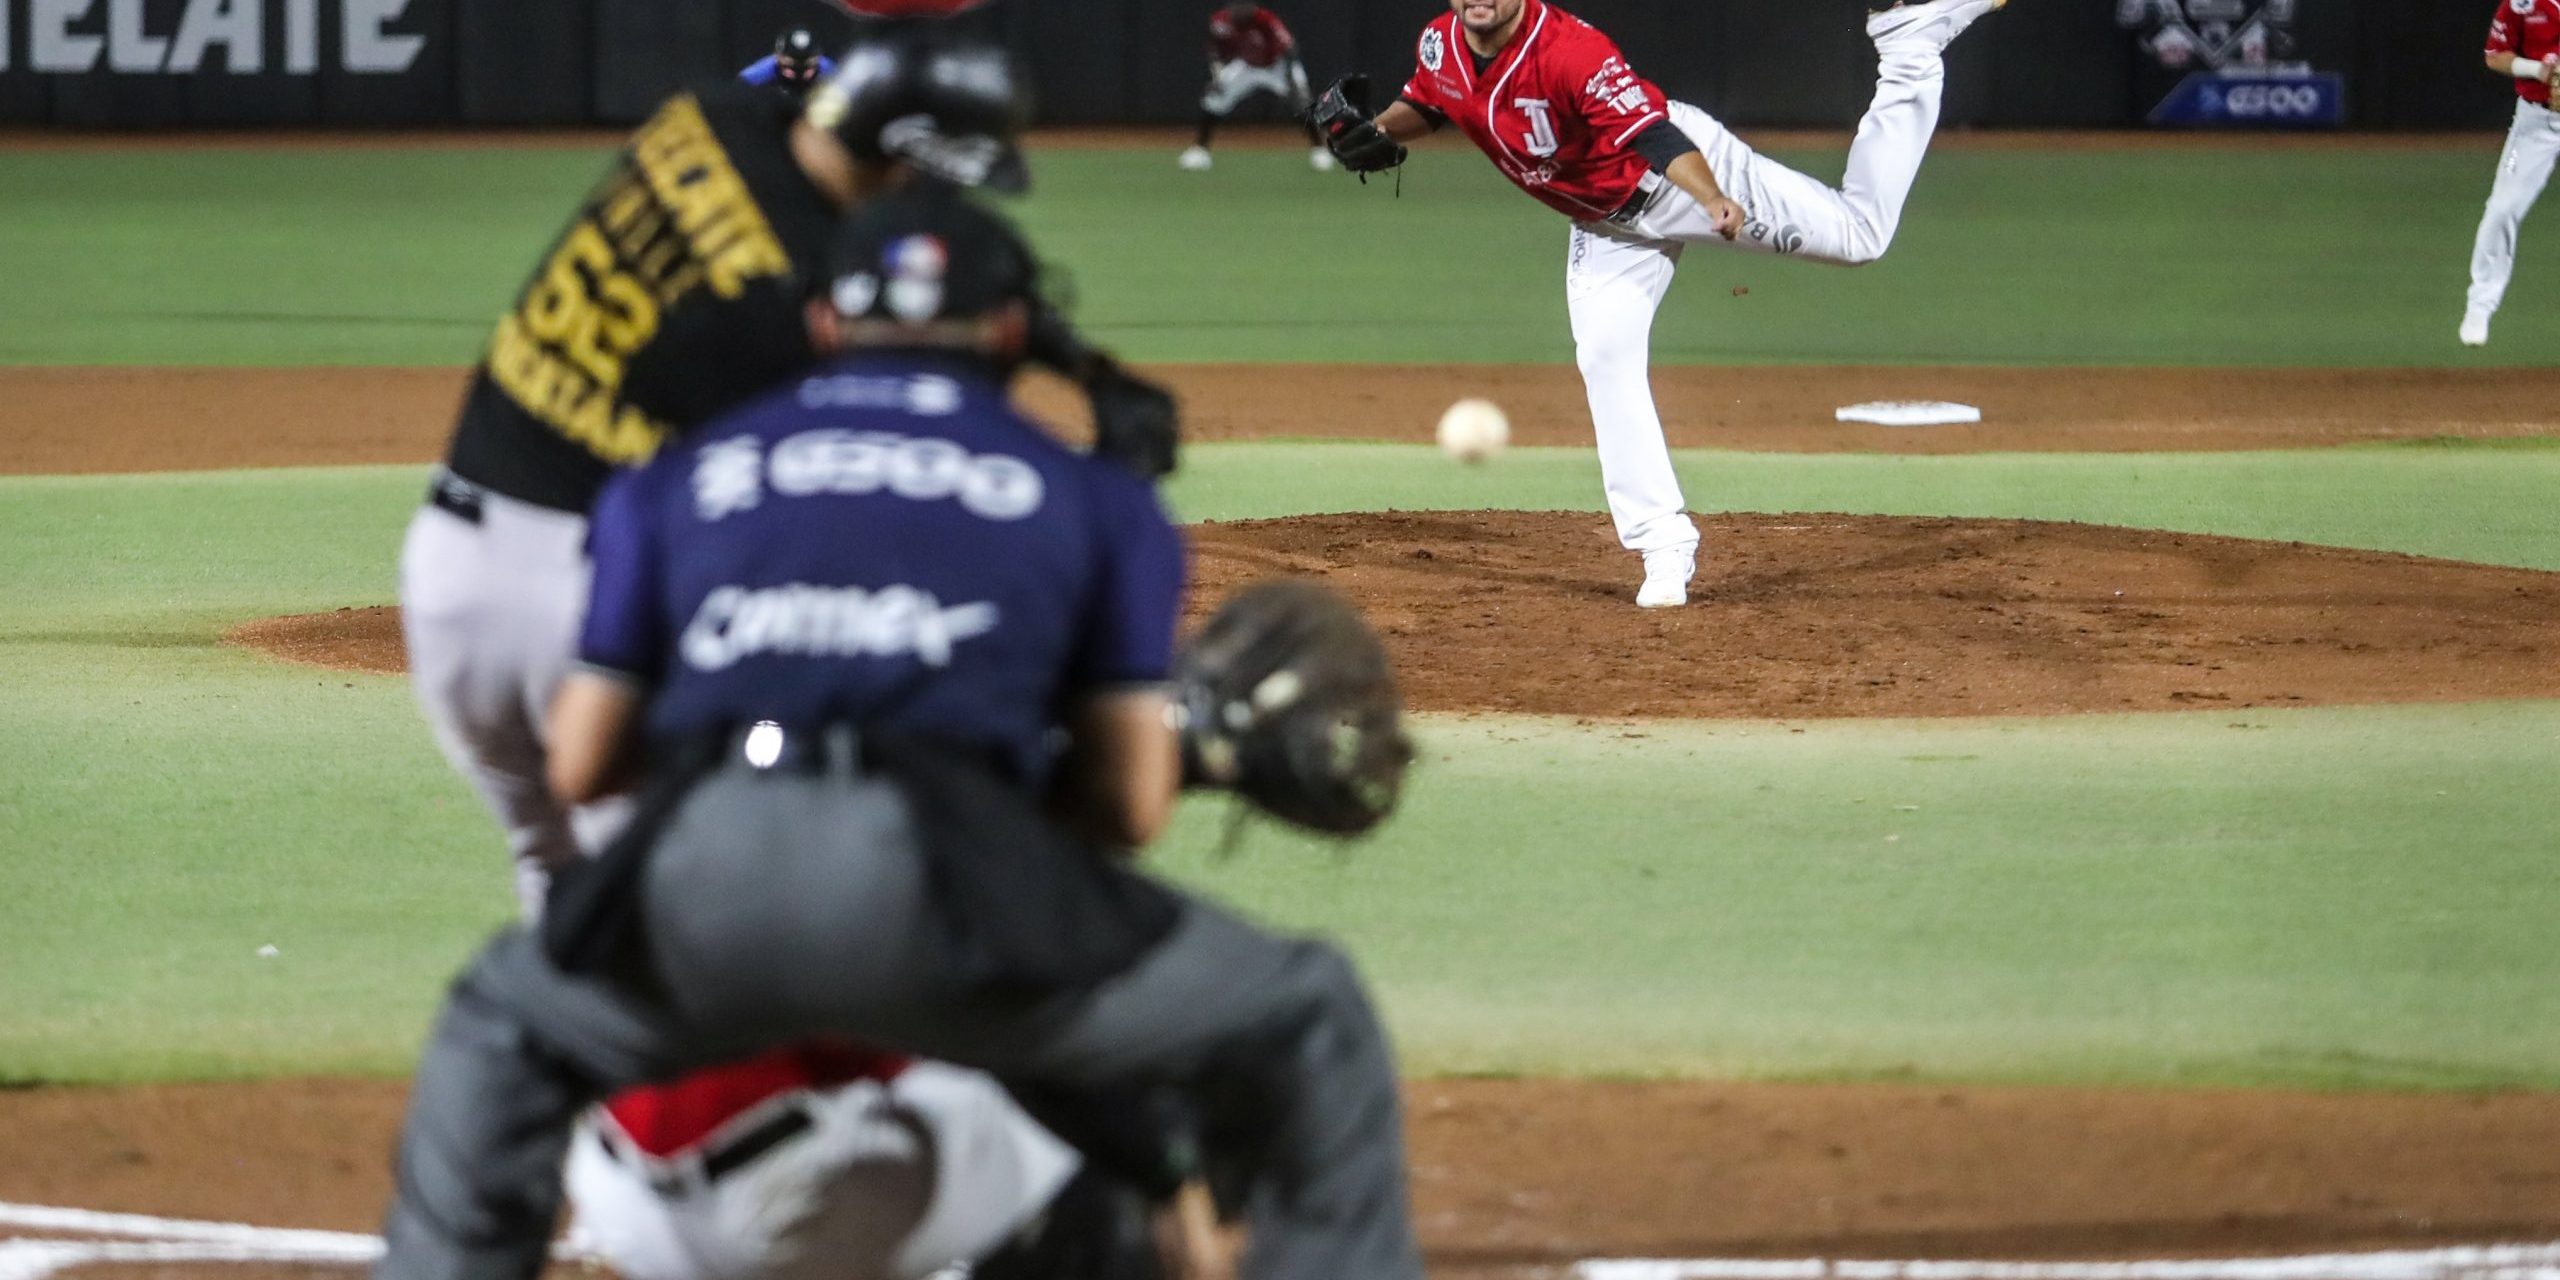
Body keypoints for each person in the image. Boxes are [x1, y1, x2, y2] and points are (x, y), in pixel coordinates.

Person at [371, 185, 1424, 1280]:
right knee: (1306, 1015)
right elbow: (1127, 808)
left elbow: (583, 763)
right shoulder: (1092, 498)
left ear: (824, 323)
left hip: (706, 874)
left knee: (500, 1018)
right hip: (945, 880)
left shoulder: (684, 474)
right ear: (1011, 331)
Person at [399, 27, 1175, 917]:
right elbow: (880, 441)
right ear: (905, 157)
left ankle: (563, 1042)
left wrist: (1068, 357)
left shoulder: (715, 118)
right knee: (714, 909)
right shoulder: (773, 309)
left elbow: (870, 242)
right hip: (569, 604)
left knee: (564, 883)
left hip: (450, 567)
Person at [1314, 0, 2011, 607]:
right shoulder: (1440, 42)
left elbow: (1653, 135)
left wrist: (1712, 198)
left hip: (1678, 179)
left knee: (1860, 237)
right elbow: (1433, 105)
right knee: (1606, 358)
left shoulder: (1571, 53)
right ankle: (1662, 543)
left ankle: (1909, 48)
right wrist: (1374, 129)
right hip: (1604, 224)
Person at [2463, 0, 2560, 347]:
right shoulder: (2523, 3)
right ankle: (2480, 305)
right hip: (2538, 123)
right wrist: (2539, 70)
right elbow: (2495, 54)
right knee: (2502, 209)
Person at [1181, 3, 1329, 172]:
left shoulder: (1265, 19)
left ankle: (1319, 150)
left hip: (1277, 66)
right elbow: (1215, 50)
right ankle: (1199, 151)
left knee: (1302, 104)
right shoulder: (1221, 21)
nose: (1241, 9)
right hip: (1247, 66)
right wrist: (1218, 77)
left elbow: (1289, 49)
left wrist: (1292, 82)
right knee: (1214, 98)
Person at [741, 28, 837, 98]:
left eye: (806, 61)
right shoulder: (760, 73)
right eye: (793, 61)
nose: (800, 67)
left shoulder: (829, 71)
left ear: (818, 57)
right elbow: (740, 88)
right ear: (778, 56)